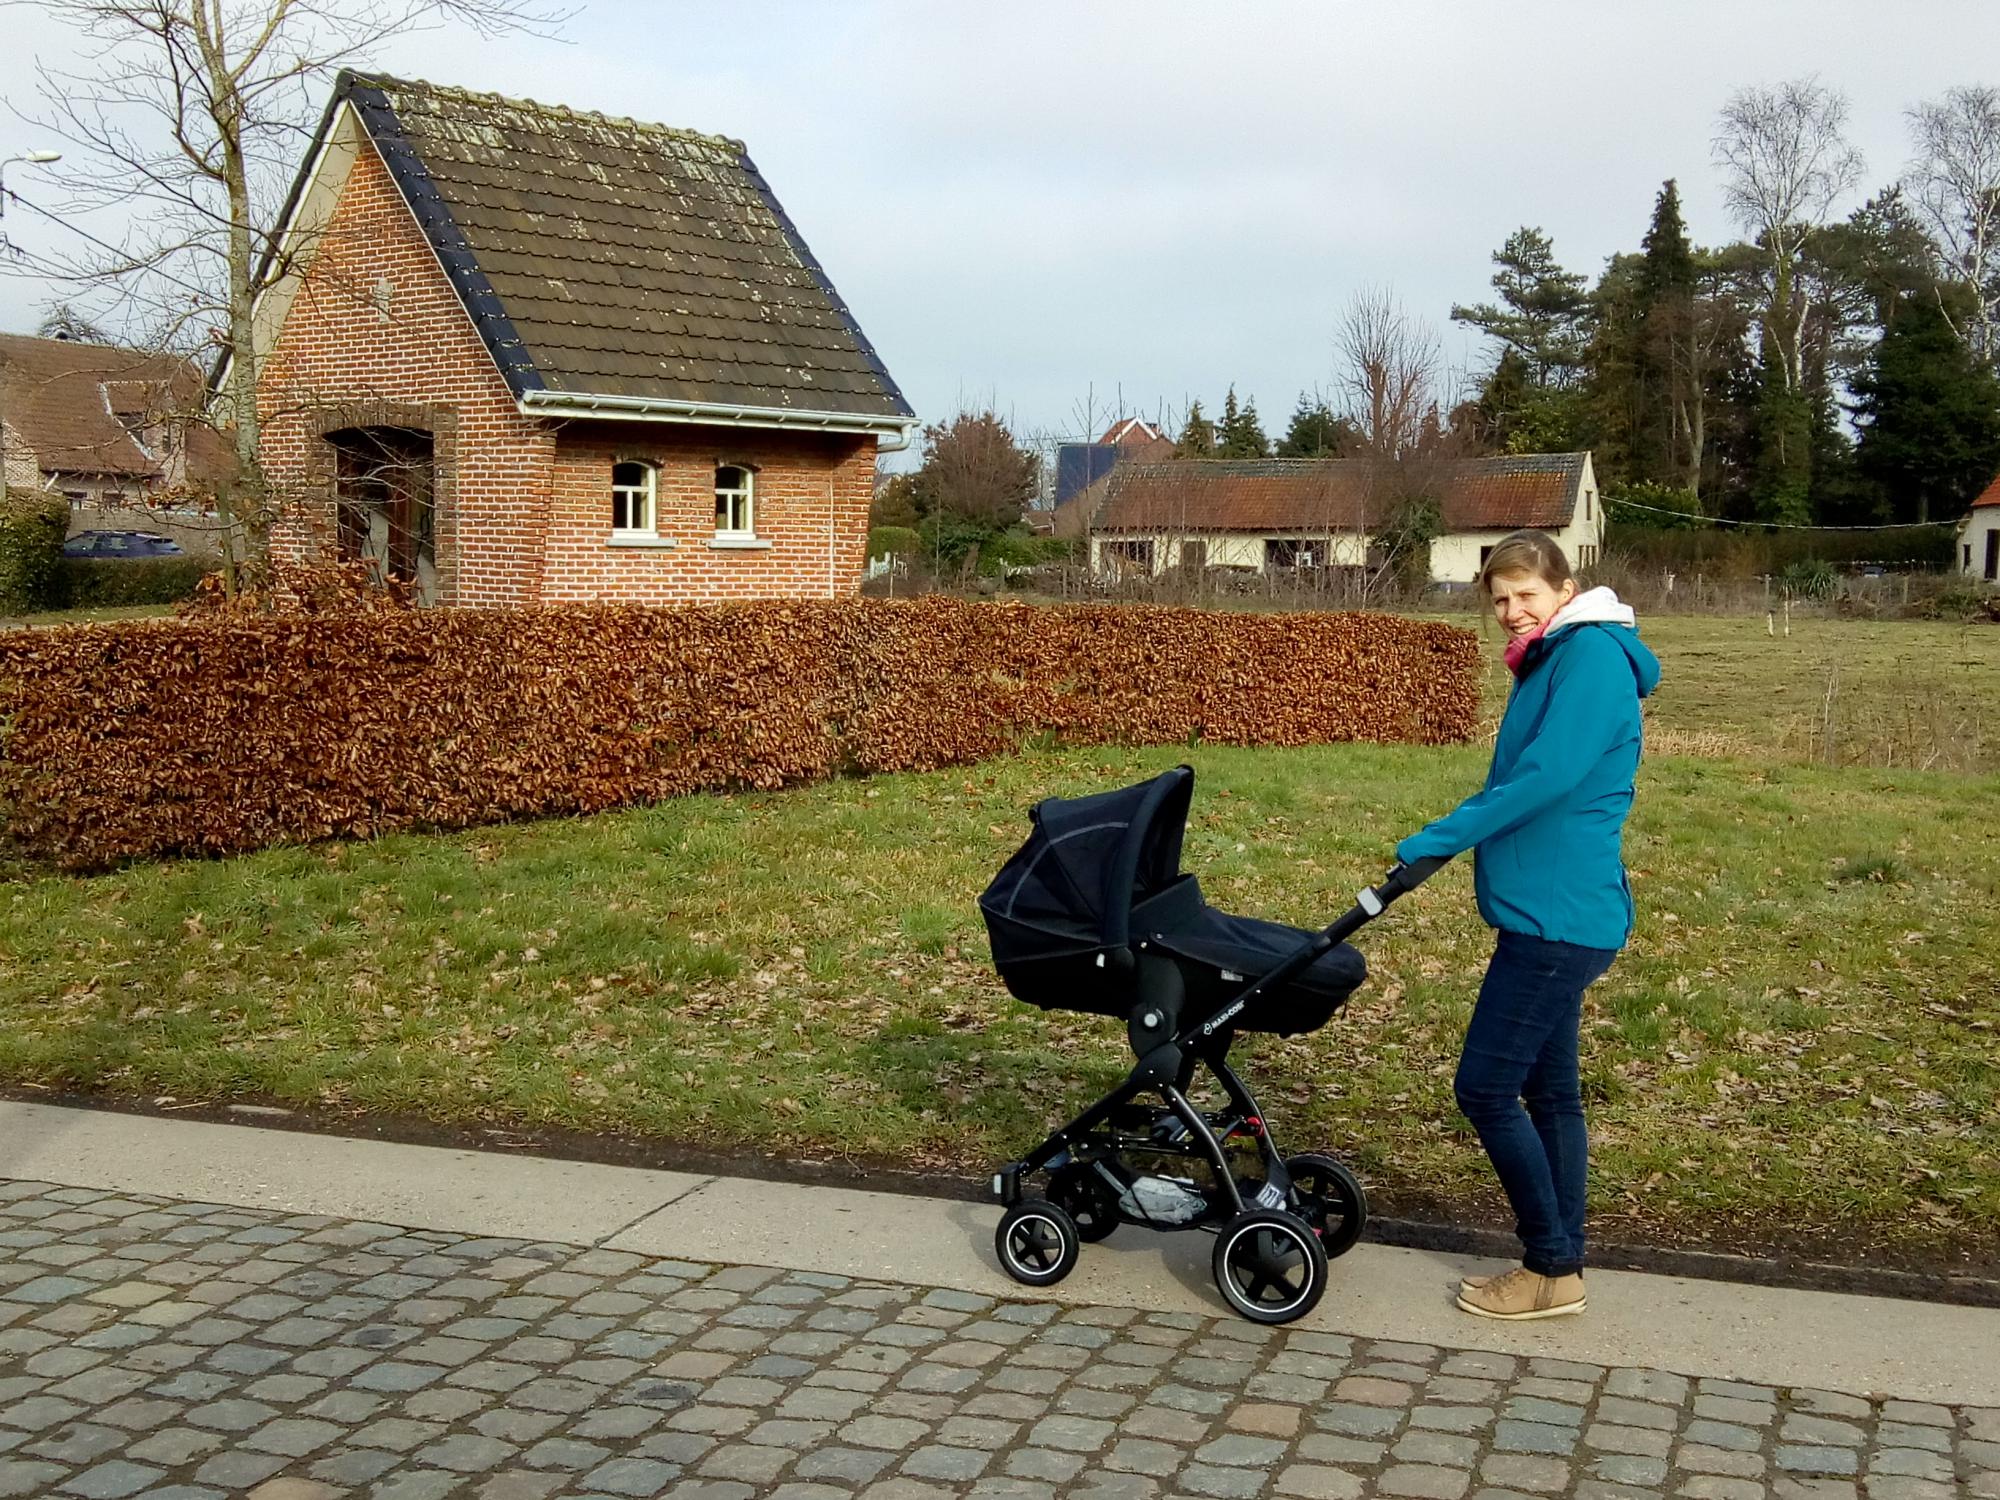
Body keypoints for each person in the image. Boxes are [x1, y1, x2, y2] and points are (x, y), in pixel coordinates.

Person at [1395, 530, 1661, 1321]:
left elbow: (1546, 777)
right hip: (1550, 913)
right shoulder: (1557, 655)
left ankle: (1550, 1265)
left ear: (1566, 589)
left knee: (1484, 1086)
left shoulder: (1589, 661)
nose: (1512, 611)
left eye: (1526, 596)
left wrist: (1437, 839)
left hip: (1560, 920)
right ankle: (1560, 1264)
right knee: (1553, 1095)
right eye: (1500, 599)